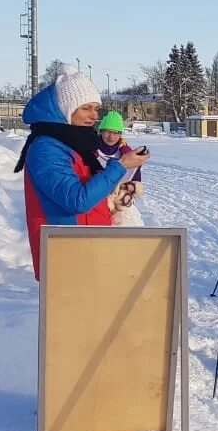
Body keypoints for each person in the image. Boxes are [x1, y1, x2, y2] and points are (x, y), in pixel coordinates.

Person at [13, 66, 149, 280]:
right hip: (66, 256)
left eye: (96, 108)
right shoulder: (46, 149)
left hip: (87, 248)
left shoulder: (74, 143)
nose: (94, 116)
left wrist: (116, 199)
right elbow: (77, 200)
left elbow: (92, 191)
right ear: (65, 108)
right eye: (86, 108)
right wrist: (121, 164)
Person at [94, 110, 146, 227]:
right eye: (107, 131)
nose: (111, 136)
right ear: (101, 131)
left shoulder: (127, 153)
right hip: (96, 205)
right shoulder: (91, 151)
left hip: (121, 206)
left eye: (116, 132)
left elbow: (135, 181)